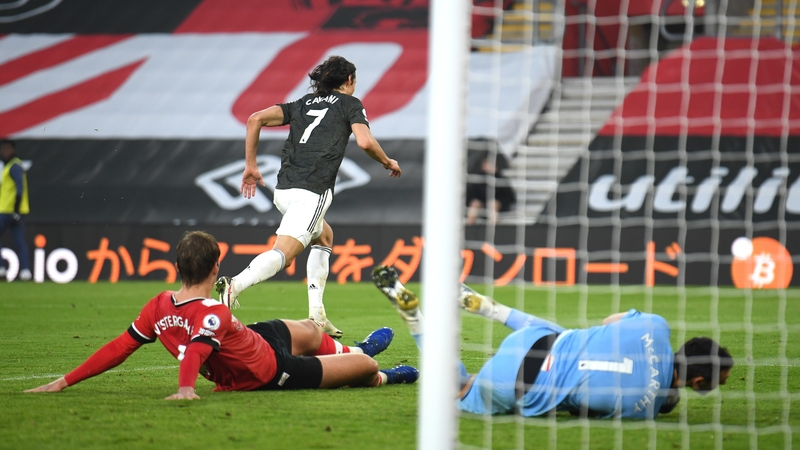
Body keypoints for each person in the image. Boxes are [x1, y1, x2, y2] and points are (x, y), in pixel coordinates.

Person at [25, 232, 418, 399]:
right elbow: (196, 350)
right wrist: (185, 388)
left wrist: (64, 381)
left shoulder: (159, 304)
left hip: (253, 340)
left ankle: (352, 347)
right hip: (269, 373)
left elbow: (119, 347)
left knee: (312, 330)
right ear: (216, 269)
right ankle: (380, 371)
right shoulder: (212, 311)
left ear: (179, 268)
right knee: (365, 367)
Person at [371, 265, 734, 419]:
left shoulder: (656, 326)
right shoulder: (642, 410)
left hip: (537, 338)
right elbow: (579, 408)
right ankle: (413, 315)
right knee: (458, 388)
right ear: (699, 382)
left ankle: (486, 308)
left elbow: (608, 323)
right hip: (518, 383)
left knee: (566, 336)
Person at [216, 55, 403, 339]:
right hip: (311, 192)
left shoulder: (301, 104)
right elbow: (364, 141)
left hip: (284, 191)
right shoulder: (350, 104)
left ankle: (317, 314)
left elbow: (255, 119)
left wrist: (251, 165)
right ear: (349, 80)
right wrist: (387, 161)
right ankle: (234, 286)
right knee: (284, 256)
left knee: (324, 237)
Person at [0, 139, 32, 281]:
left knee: (19, 241)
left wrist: (15, 210)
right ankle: (25, 271)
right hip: (15, 211)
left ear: (9, 149)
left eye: (4, 149)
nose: (3, 152)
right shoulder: (12, 165)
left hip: (7, 210)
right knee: (20, 241)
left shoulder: (13, 166)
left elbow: (20, 188)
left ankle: (1, 268)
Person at [465, 139, 516, 225]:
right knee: (475, 204)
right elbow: (473, 195)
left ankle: (494, 228)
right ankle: (469, 228)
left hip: (497, 205)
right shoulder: (479, 179)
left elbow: (509, 197)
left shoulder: (501, 178)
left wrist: (498, 202)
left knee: (493, 204)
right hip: (482, 205)